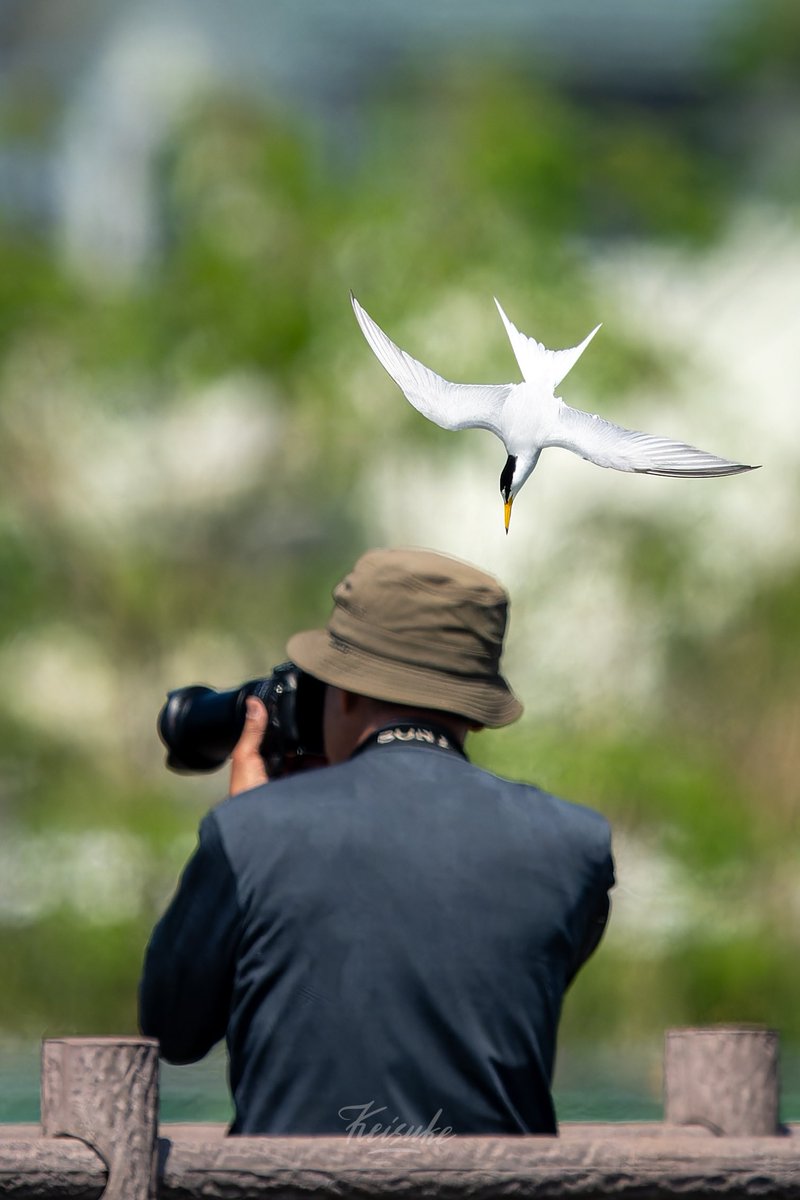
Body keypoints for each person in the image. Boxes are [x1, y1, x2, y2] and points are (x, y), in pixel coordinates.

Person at [139, 547, 614, 1135]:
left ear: (341, 691)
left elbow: (172, 1033)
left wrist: (257, 826)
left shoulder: (252, 832)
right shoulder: (576, 845)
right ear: (477, 715)